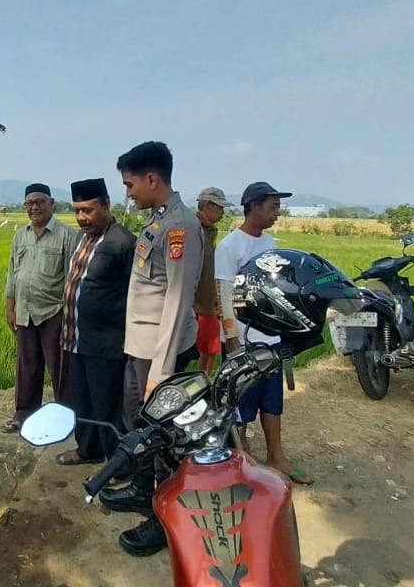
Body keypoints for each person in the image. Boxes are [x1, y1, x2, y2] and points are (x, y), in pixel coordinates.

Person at [99, 141, 205, 557]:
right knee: (137, 426)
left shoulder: (181, 227)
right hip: (140, 349)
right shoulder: (159, 221)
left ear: (152, 179)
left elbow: (178, 302)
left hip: (162, 355)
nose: (127, 192)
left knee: (164, 437)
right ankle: (145, 491)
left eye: (129, 184)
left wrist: (160, 372)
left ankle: (166, 521)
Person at [215, 181, 314, 485]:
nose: (277, 214)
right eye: (272, 207)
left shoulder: (270, 244)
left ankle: (276, 455)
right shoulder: (230, 247)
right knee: (241, 402)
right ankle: (243, 459)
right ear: (254, 206)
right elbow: (223, 295)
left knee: (272, 399)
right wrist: (232, 341)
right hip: (243, 339)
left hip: (271, 336)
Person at [54, 178, 136, 467]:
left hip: (106, 342)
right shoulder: (81, 239)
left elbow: (135, 295)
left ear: (106, 205)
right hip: (75, 337)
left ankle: (114, 463)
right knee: (82, 400)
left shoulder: (122, 242)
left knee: (108, 405)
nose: (82, 218)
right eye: (77, 211)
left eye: (88, 210)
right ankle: (87, 449)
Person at [2, 183, 79, 433]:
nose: (34, 207)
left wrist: (69, 315)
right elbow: (13, 273)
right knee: (27, 366)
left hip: (53, 312)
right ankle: (24, 415)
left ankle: (64, 419)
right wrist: (10, 306)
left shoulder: (67, 235)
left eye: (40, 202)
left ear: (51, 203)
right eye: (30, 203)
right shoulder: (20, 235)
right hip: (25, 310)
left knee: (60, 369)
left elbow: (72, 279)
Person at [194, 187, 232, 376]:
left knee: (210, 351)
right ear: (206, 205)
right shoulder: (193, 229)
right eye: (219, 208)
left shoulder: (210, 231)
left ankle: (202, 388)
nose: (223, 212)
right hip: (193, 305)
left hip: (208, 304)